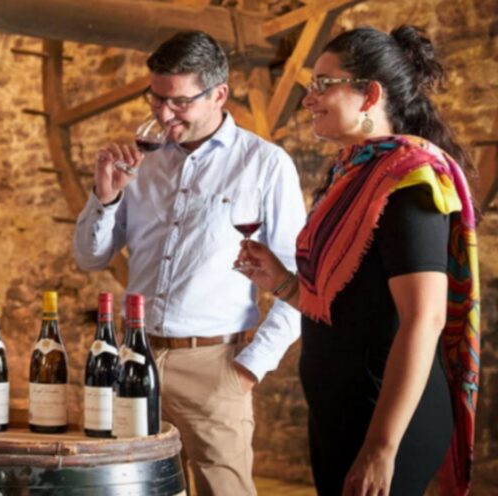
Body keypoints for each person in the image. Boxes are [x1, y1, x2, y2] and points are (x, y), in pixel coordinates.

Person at [239, 26, 480, 496]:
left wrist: (381, 449)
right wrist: (284, 283)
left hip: (384, 419)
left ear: (370, 94)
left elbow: (424, 319)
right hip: (341, 412)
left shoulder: (410, 180)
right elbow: (345, 304)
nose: (308, 99)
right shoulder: (351, 174)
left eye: (323, 84)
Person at [74, 31, 307, 495]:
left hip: (214, 365)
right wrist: (105, 197)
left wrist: (247, 369)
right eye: (155, 98)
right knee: (133, 489)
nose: (163, 114)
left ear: (218, 93)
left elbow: (300, 285)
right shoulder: (139, 163)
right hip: (134, 358)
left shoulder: (265, 165)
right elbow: (89, 256)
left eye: (178, 102)